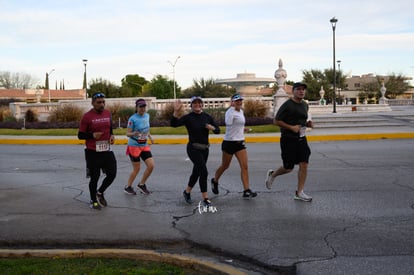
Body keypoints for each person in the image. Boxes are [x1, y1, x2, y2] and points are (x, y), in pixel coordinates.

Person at [265, 82, 314, 202]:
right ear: (293, 91)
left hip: (301, 138)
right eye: (298, 89)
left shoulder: (304, 105)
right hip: (288, 139)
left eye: (303, 89)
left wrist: (307, 124)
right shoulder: (287, 105)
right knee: (288, 168)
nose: (301, 91)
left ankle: (299, 192)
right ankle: (273, 175)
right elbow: (276, 121)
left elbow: (302, 119)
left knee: (304, 164)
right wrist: (291, 127)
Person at [171, 96, 220, 206]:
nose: (197, 105)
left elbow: (218, 130)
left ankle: (187, 192)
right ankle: (205, 198)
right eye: (194, 103)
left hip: (205, 149)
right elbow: (173, 124)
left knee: (196, 172)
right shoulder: (188, 117)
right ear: (191, 105)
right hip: (193, 148)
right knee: (204, 172)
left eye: (199, 103)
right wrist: (175, 111)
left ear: (202, 104)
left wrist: (212, 128)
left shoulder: (207, 116)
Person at [211, 94, 257, 198]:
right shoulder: (229, 112)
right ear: (232, 102)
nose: (239, 102)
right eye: (236, 101)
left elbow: (239, 124)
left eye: (240, 101)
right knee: (225, 166)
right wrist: (232, 109)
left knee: (244, 167)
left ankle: (246, 190)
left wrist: (243, 129)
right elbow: (228, 123)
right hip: (229, 143)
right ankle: (215, 180)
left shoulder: (241, 111)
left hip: (240, 142)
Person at [78, 92, 117, 210]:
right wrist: (92, 135)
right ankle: (93, 200)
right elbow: (80, 135)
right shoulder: (87, 116)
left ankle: (100, 192)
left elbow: (109, 128)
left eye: (103, 102)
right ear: (93, 103)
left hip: (106, 149)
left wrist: (112, 135)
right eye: (99, 102)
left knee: (112, 174)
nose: (102, 104)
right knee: (95, 177)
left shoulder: (107, 113)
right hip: (92, 152)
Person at [124, 98, 154, 195]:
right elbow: (127, 134)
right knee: (137, 169)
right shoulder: (132, 119)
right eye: (140, 107)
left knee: (151, 166)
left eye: (144, 106)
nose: (142, 108)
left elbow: (146, 129)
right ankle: (128, 187)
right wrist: (134, 133)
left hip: (144, 144)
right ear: (136, 107)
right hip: (134, 146)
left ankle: (141, 184)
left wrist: (150, 137)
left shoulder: (147, 116)